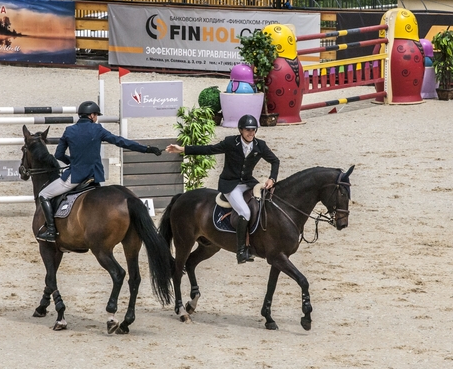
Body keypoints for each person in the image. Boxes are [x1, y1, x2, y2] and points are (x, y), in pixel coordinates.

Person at [36, 100, 162, 243]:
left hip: (76, 177)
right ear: (91, 115)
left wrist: (73, 162)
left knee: (44, 194)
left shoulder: (69, 130)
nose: (96, 118)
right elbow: (120, 141)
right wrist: (146, 149)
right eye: (96, 115)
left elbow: (58, 155)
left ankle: (51, 230)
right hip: (94, 177)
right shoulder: (98, 129)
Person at [166, 114, 279, 264]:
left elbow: (275, 161)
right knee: (244, 211)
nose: (251, 133)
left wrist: (272, 178)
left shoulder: (260, 145)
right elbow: (209, 149)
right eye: (248, 130)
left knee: (260, 206)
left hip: (248, 183)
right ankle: (241, 251)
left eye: (253, 130)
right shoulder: (231, 143)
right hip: (231, 185)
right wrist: (182, 149)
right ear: (240, 130)